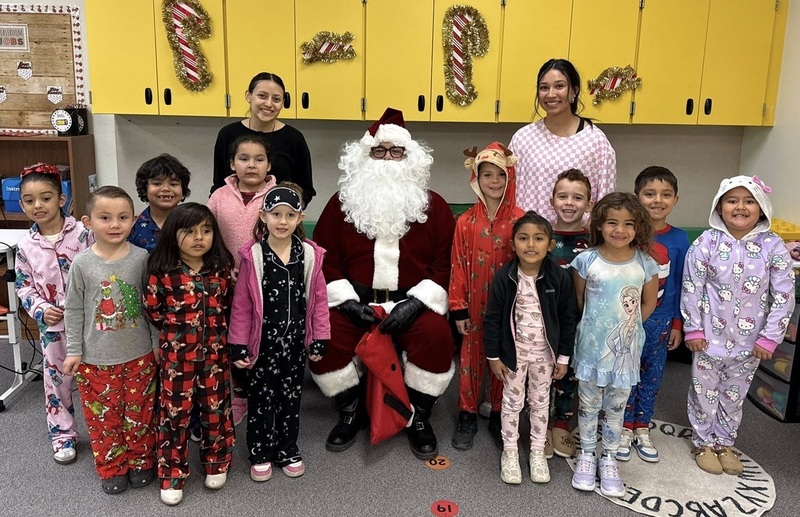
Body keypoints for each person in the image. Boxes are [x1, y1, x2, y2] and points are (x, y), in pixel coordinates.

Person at [310, 107, 456, 460]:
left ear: (410, 157)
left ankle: (419, 414)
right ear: (365, 156)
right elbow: (324, 258)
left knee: (437, 336)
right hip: (355, 300)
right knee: (322, 335)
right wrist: (345, 301)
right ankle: (350, 408)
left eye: (396, 151)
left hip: (412, 303)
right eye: (379, 151)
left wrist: (418, 303)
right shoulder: (342, 203)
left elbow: (444, 263)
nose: (388, 158)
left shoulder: (433, 206)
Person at [681, 175, 795, 476]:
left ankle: (725, 442)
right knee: (703, 392)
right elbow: (692, 287)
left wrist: (771, 338)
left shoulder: (773, 247)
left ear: (761, 208)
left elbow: (784, 295)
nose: (740, 207)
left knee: (734, 395)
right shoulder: (706, 242)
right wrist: (693, 328)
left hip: (750, 343)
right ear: (720, 207)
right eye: (732, 201)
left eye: (749, 201)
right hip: (708, 338)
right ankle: (703, 441)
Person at [228, 183, 330, 482]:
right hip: (263, 346)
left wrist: (319, 337)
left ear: (300, 218)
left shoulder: (309, 256)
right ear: (263, 216)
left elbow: (319, 301)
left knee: (290, 399)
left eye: (290, 215)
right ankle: (260, 452)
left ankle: (288, 449)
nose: (282, 221)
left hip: (296, 345)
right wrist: (238, 345)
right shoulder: (254, 256)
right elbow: (243, 306)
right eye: (275, 214)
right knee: (261, 400)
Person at [63, 186, 158, 495]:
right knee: (104, 419)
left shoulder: (142, 258)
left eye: (123, 217)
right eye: (105, 218)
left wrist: (156, 344)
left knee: (139, 413)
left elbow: (152, 306)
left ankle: (141, 462)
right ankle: (112, 468)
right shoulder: (82, 264)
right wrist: (74, 350)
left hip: (139, 355)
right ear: (88, 222)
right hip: (95, 360)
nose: (115, 225)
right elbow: (74, 308)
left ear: (133, 221)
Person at [144, 203, 235, 506]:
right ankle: (172, 473)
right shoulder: (162, 272)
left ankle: (216, 462)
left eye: (206, 231)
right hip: (176, 361)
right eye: (190, 231)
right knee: (174, 416)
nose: (199, 237)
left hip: (215, 358)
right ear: (173, 234)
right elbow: (154, 312)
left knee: (216, 412)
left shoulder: (221, 268)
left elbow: (230, 307)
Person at [570, 192, 659, 497]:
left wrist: (629, 328)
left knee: (616, 408)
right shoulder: (585, 260)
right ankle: (586, 454)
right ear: (599, 224)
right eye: (612, 222)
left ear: (638, 228)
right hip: (591, 350)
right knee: (588, 405)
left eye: (628, 224)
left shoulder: (645, 264)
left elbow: (648, 303)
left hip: (625, 354)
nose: (619, 230)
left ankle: (608, 458)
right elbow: (580, 302)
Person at [483, 211, 578, 484]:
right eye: (523, 238)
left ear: (550, 244)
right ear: (513, 244)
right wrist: (493, 355)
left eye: (538, 238)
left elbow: (568, 318)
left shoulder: (559, 278)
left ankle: (537, 450)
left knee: (540, 404)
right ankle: (510, 451)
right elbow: (492, 317)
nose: (531, 245)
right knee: (512, 405)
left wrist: (563, 357)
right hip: (513, 355)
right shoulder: (506, 277)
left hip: (545, 357)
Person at [15, 164, 92, 465]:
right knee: (57, 382)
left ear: (62, 200)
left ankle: (105, 432)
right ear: (21, 204)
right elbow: (24, 287)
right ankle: (63, 435)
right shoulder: (25, 247)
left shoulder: (84, 235)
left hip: (90, 324)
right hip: (53, 328)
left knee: (95, 380)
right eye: (30, 200)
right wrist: (42, 309)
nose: (38, 205)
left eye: (46, 198)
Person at [449, 142, 524, 451]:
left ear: (510, 178)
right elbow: (458, 265)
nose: (494, 181)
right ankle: (467, 412)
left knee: (503, 357)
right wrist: (458, 308)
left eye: (500, 175)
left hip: (509, 306)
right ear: (476, 179)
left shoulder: (521, 220)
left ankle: (497, 411)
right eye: (487, 175)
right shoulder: (466, 222)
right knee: (470, 357)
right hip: (475, 304)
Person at [617, 166, 690, 463]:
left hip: (662, 321)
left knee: (652, 375)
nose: (657, 200)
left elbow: (682, 284)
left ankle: (642, 426)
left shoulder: (680, 239)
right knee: (625, 375)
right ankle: (622, 426)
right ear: (637, 198)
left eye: (665, 194)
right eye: (649, 194)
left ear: (675, 200)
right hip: (628, 320)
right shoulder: (628, 235)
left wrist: (677, 324)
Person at [208, 133, 277, 427]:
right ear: (232, 163)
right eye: (244, 159)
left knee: (264, 339)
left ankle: (264, 392)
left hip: (266, 283)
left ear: (268, 165)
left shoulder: (278, 195)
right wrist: (225, 267)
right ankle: (239, 395)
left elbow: (287, 237)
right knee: (233, 341)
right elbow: (208, 237)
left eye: (259, 159)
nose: (251, 165)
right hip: (227, 282)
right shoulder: (218, 197)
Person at [509, 58, 616, 225]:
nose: (551, 94)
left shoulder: (596, 142)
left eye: (559, 86)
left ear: (574, 91)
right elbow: (509, 192)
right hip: (529, 240)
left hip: (579, 242)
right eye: (544, 87)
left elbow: (606, 202)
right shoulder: (522, 139)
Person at [211, 72, 315, 206]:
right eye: (262, 96)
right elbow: (219, 184)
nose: (269, 104)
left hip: (279, 222)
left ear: (283, 102)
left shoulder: (294, 139)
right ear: (249, 96)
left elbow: (306, 189)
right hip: (234, 218)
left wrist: (284, 213)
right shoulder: (227, 135)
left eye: (276, 99)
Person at [546, 168, 593, 459]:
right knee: (540, 375)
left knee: (570, 376)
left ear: (589, 204)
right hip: (543, 324)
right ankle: (538, 424)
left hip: (581, 324)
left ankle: (561, 424)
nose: (569, 203)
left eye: (578, 198)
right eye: (562, 196)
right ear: (552, 201)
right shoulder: (541, 237)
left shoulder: (595, 242)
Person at [129, 153, 192, 253]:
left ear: (183, 189)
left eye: (173, 184)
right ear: (145, 188)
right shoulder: (132, 228)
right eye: (157, 183)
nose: (166, 189)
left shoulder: (192, 222)